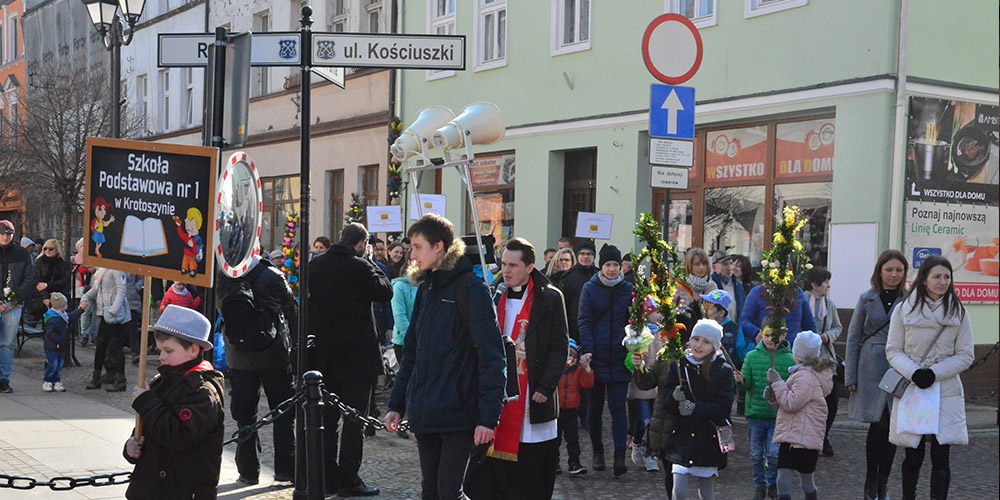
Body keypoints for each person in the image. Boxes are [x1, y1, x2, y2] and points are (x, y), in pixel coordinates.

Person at [384, 214, 507, 500]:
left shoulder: (470, 289)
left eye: (417, 247)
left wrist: (488, 418)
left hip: (459, 413)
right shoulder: (426, 287)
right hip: (426, 412)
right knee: (431, 491)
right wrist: (396, 404)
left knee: (449, 492)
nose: (411, 255)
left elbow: (492, 357)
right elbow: (412, 353)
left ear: (438, 246)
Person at [464, 237, 569, 499]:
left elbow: (559, 346)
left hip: (533, 391)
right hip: (497, 389)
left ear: (530, 268)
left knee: (530, 463)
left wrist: (546, 385)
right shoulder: (493, 294)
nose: (506, 270)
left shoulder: (550, 298)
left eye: (513, 265)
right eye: (503, 264)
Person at [310, 222, 393, 496]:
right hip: (357, 356)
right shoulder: (360, 266)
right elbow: (385, 290)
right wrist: (369, 261)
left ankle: (327, 476)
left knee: (328, 421)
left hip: (324, 356)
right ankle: (349, 480)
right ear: (362, 243)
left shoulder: (316, 265)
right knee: (354, 420)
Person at [886, 255, 974, 500]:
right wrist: (915, 372)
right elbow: (893, 350)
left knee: (941, 455)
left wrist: (934, 373)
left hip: (944, 388)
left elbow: (966, 355)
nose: (942, 281)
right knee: (913, 453)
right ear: (924, 279)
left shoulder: (958, 311)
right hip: (914, 388)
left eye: (947, 277)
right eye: (937, 276)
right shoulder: (904, 309)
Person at [123, 305, 225, 500]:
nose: (161, 357)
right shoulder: (162, 381)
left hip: (182, 491)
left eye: (168, 350)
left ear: (193, 350)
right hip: (151, 488)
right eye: (160, 350)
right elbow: (149, 427)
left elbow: (179, 436)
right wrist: (132, 446)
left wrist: (146, 401)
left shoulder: (202, 391)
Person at [214, 255, 298, 486]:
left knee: (244, 415)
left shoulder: (225, 275)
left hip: (239, 355)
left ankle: (248, 471)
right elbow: (289, 302)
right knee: (282, 412)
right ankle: (285, 469)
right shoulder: (271, 274)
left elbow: (220, 306)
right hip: (274, 352)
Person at [636, 319, 734, 500]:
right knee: (678, 490)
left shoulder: (723, 371)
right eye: (696, 339)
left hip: (708, 439)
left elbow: (723, 406)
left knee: (706, 491)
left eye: (705, 342)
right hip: (682, 438)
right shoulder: (679, 365)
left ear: (714, 345)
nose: (699, 345)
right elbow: (668, 405)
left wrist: (696, 408)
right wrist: (674, 397)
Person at [845, 249, 908, 500]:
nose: (894, 275)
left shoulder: (910, 299)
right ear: (880, 271)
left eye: (899, 270)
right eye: (889, 269)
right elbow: (853, 337)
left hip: (899, 366)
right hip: (870, 367)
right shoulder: (866, 297)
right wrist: (850, 376)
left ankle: (883, 482)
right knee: (877, 425)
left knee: (892, 426)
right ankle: (871, 480)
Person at [578, 244, 634, 476]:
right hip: (597, 358)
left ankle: (620, 456)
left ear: (621, 266)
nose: (612, 269)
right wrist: (588, 351)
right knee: (595, 409)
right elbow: (584, 321)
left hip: (620, 358)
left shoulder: (628, 289)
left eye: (615, 265)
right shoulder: (589, 289)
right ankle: (598, 452)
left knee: (618, 408)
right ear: (601, 266)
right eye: (608, 265)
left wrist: (635, 345)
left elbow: (636, 321)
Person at [766, 331, 835, 500]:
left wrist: (777, 383)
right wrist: (773, 398)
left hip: (804, 440)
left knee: (805, 481)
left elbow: (791, 403)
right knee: (784, 479)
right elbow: (787, 405)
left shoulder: (805, 376)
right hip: (792, 436)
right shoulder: (800, 374)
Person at [736, 323, 795, 500]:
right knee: (755, 454)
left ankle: (772, 485)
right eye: (767, 335)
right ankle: (759, 486)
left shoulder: (790, 359)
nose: (770, 339)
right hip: (756, 414)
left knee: (773, 453)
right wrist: (740, 381)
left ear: (783, 336)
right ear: (761, 335)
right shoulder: (752, 356)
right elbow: (746, 385)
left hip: (778, 415)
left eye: (774, 336)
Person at [804, 266, 843, 457]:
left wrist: (828, 336)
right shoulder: (801, 300)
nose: (828, 286)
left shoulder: (830, 304)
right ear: (814, 284)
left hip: (826, 359)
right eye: (825, 282)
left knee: (831, 402)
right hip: (806, 360)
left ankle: (823, 435)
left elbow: (838, 326)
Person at [626, 296, 663, 473]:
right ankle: (637, 441)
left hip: (658, 386)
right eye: (656, 313)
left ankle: (650, 455)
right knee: (644, 419)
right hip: (641, 386)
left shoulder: (663, 332)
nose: (659, 316)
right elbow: (629, 358)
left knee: (654, 422)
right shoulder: (638, 332)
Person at [81, 267, 131, 392]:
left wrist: (114, 309)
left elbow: (121, 290)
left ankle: (120, 379)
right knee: (101, 345)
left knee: (115, 346)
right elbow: (97, 288)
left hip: (116, 314)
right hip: (105, 313)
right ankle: (96, 376)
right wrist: (85, 297)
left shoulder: (117, 269)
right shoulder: (102, 270)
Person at [0, 220, 34, 393]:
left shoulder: (21, 254)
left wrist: (11, 301)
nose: (6, 236)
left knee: (7, 343)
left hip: (13, 305)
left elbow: (28, 279)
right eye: (3, 233)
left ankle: (3, 379)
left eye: (9, 233)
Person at [389, 258, 417, 440]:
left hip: (423, 340)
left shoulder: (425, 284)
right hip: (404, 341)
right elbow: (400, 315)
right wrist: (412, 339)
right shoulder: (400, 287)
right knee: (406, 379)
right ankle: (402, 418)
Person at [557, 338, 593, 476]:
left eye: (571, 355)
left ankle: (574, 462)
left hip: (572, 410)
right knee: (556, 440)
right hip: (557, 410)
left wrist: (587, 369)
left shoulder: (577, 371)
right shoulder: (556, 370)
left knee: (573, 439)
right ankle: (554, 462)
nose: (568, 359)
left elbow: (587, 384)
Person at [740, 284, 816, 347]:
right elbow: (743, 320)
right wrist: (757, 333)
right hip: (766, 351)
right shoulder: (757, 293)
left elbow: (809, 325)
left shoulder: (798, 294)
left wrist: (813, 348)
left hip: (792, 352)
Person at [42, 292, 84, 392]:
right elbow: (50, 334)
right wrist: (60, 339)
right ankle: (47, 380)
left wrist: (80, 310)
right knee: (53, 364)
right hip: (53, 345)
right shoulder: (54, 319)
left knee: (59, 364)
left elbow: (71, 316)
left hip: (60, 345)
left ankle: (56, 380)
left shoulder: (61, 315)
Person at [561, 241, 599, 343]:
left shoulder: (599, 276)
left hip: (596, 327)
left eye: (589, 254)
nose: (585, 257)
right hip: (574, 329)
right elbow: (562, 306)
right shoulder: (568, 277)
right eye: (582, 254)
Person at [29, 239, 71, 319]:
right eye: (45, 248)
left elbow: (65, 280)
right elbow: (37, 280)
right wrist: (45, 297)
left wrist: (48, 285)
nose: (47, 250)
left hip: (58, 297)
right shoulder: (39, 262)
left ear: (57, 250)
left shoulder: (63, 264)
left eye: (51, 249)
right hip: (40, 297)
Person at [709, 251, 745, 321]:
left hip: (734, 329)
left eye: (731, 263)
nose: (729, 268)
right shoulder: (711, 286)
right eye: (725, 264)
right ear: (714, 267)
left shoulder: (738, 286)